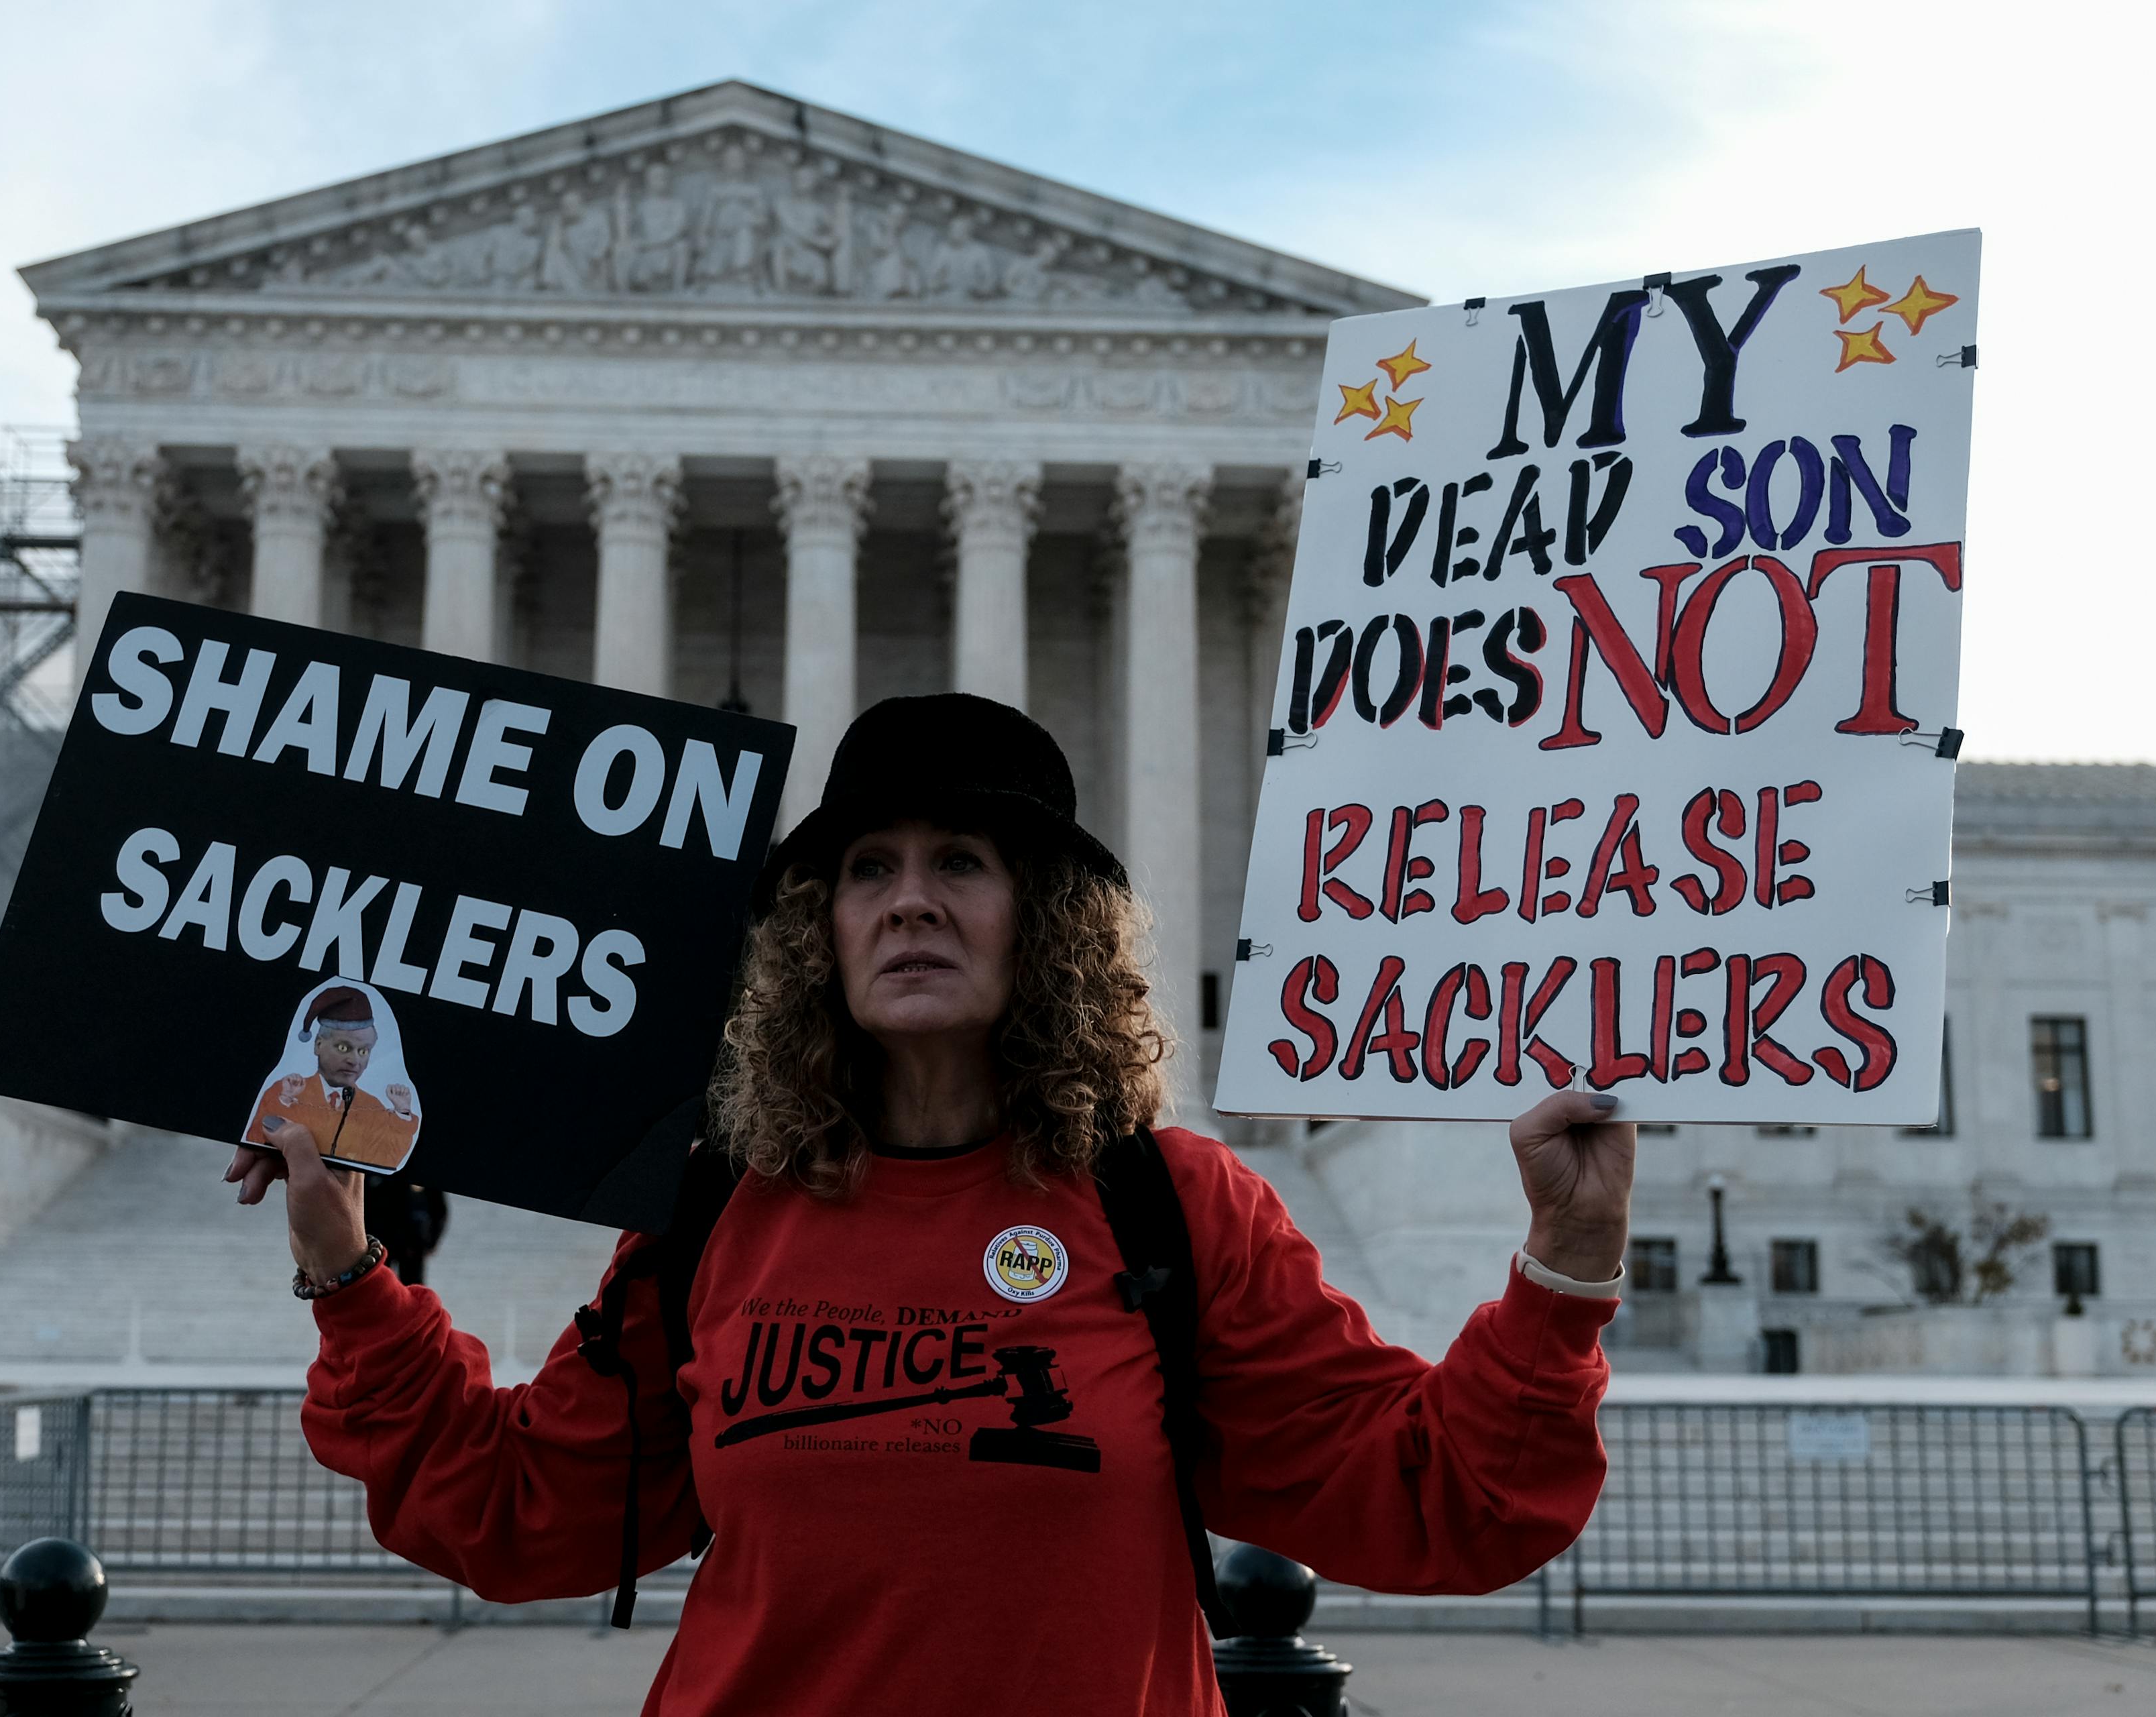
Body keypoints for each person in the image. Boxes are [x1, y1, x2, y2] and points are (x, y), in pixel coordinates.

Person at [231, 694, 1634, 1717]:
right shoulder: (718, 1214)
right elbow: (522, 1506)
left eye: (960, 860)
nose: (910, 902)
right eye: (869, 869)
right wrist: (347, 1268)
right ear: (821, 932)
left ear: (1045, 920)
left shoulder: (1175, 1208)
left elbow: (1435, 1499)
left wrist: (1567, 1262)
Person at [246, 986, 420, 1172]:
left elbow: (387, 1160)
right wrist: (284, 1102)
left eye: (363, 1051)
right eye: (344, 1048)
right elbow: (256, 1140)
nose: (354, 1061)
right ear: (318, 1045)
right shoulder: (285, 1092)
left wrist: (402, 1113)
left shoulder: (372, 1107)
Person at [361, 1181, 449, 1288]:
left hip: (413, 1244)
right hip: (384, 1240)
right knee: (380, 1285)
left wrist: (431, 1241)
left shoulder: (426, 1179)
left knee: (413, 1287)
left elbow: (439, 1211)